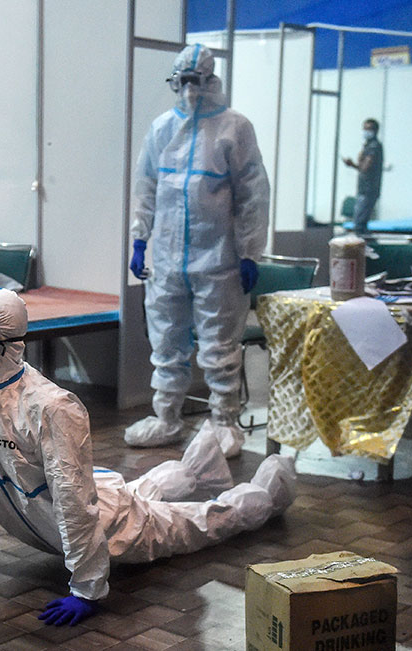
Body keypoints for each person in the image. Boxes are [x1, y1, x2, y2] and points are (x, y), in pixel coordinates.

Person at [0, 288, 296, 627]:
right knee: (129, 495)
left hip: (114, 529)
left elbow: (73, 500)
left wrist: (86, 585)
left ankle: (262, 497)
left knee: (198, 523)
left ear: (3, 341)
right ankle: (194, 469)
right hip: (90, 502)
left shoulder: (49, 406)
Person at [126, 44, 270, 455]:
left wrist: (249, 251)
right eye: (182, 80)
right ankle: (166, 417)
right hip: (169, 259)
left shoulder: (234, 128)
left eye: (196, 80)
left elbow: (252, 194)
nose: (189, 89)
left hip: (218, 259)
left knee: (219, 342)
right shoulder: (161, 130)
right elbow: (146, 187)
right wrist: (140, 238)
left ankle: (224, 422)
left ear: (211, 80)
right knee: (166, 340)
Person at [342, 118, 384, 234]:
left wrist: (353, 165)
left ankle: (362, 248)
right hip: (364, 189)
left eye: (368, 129)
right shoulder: (368, 145)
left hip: (368, 190)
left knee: (359, 224)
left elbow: (366, 167)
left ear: (375, 131)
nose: (365, 131)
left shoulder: (374, 146)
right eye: (364, 129)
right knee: (360, 222)